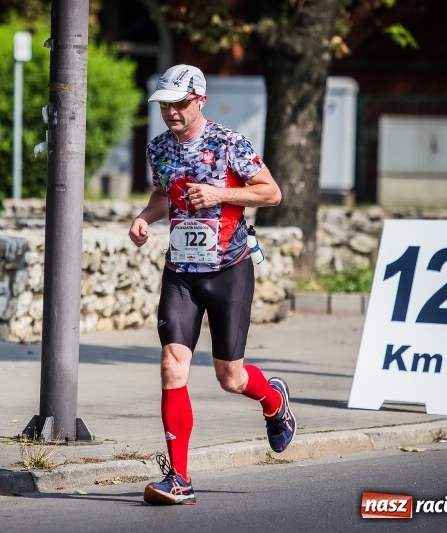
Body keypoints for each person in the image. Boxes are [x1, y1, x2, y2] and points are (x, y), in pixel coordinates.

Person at [128, 64, 296, 506]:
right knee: (172, 366)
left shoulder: (229, 143)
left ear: (200, 100)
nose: (171, 112)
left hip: (228, 270)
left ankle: (273, 400)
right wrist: (145, 218)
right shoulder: (158, 147)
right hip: (181, 273)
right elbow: (163, 194)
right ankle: (179, 478)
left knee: (230, 377)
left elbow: (271, 192)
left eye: (180, 103)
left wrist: (220, 194)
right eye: (165, 105)